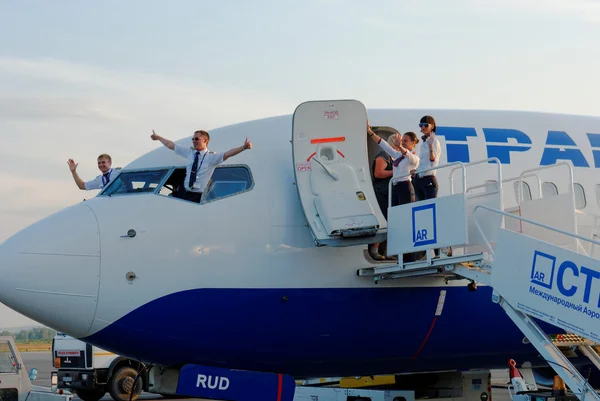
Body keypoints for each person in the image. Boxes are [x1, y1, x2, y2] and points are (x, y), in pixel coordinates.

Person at [367, 125, 422, 262]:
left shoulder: (413, 158)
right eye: (401, 140)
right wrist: (370, 133)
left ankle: (410, 256)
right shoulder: (398, 156)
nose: (402, 143)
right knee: (395, 220)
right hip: (396, 188)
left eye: (405, 141)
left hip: (405, 188)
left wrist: (401, 147)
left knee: (405, 222)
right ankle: (397, 251)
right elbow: (385, 146)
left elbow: (409, 157)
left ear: (413, 144)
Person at [150, 129, 252, 203]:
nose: (194, 141)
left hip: (196, 197)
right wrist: (158, 137)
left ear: (205, 140)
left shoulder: (211, 157)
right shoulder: (189, 152)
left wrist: (243, 147)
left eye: (197, 139)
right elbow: (170, 145)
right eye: (193, 139)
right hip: (182, 192)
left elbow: (228, 153)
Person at [412, 115, 448, 258]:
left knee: (431, 216)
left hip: (429, 180)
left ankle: (438, 252)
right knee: (422, 216)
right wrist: (416, 171)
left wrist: (431, 146)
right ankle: (425, 251)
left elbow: (433, 162)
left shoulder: (434, 142)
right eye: (420, 125)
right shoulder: (423, 143)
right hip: (420, 179)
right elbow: (423, 162)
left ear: (432, 126)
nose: (422, 128)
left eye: (425, 125)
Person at [368, 134, 397, 261]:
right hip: (381, 193)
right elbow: (378, 173)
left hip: (389, 193)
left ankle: (386, 250)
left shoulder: (395, 158)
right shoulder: (383, 156)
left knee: (391, 222)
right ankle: (374, 249)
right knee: (382, 220)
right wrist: (396, 172)